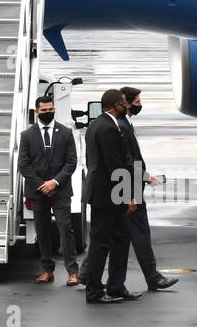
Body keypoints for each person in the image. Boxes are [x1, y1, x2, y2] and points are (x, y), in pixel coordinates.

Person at [119, 87, 179, 292]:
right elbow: (127, 161)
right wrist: (143, 179)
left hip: (126, 186)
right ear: (125, 103)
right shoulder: (122, 126)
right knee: (141, 234)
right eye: (136, 102)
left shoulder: (122, 123)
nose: (139, 105)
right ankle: (153, 277)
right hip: (128, 188)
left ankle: (86, 273)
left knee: (112, 236)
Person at [82, 89, 139, 305]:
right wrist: (128, 195)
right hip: (107, 195)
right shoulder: (107, 128)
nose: (127, 106)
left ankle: (116, 285)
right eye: (124, 103)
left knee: (120, 239)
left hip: (104, 193)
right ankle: (95, 291)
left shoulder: (97, 124)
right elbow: (113, 164)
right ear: (116, 105)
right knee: (101, 244)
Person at [18, 95, 80, 286]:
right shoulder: (27, 135)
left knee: (65, 228)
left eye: (50, 109)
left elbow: (71, 162)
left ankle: (72, 272)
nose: (48, 112)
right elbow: (24, 165)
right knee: (43, 232)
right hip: (38, 192)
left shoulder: (66, 133)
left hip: (60, 191)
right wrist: (42, 185)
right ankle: (47, 270)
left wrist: (55, 182)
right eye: (44, 110)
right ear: (37, 111)